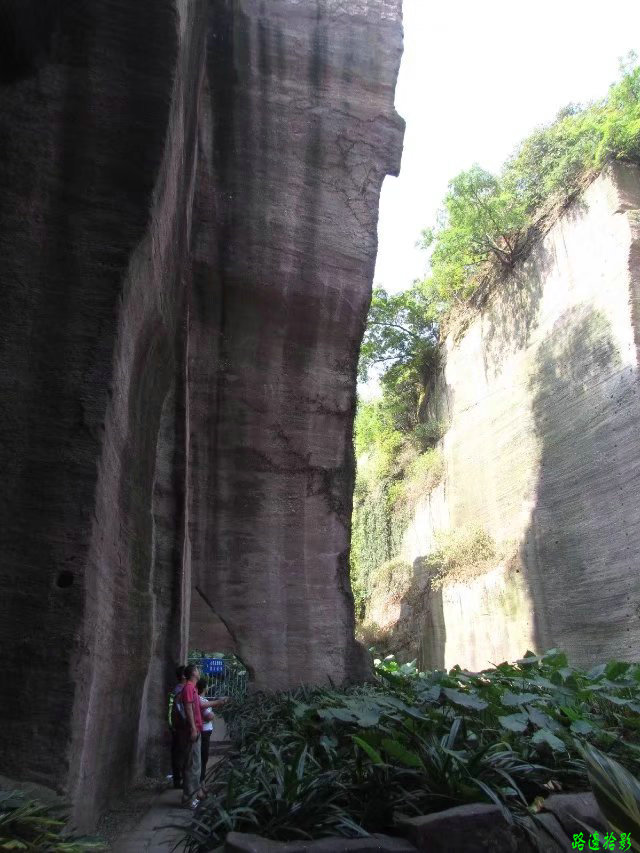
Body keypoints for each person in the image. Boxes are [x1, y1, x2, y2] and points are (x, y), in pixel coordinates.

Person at [196, 680, 229, 787]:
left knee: (202, 755)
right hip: (203, 731)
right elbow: (209, 716)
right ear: (205, 688)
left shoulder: (202, 699)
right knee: (203, 756)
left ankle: (201, 780)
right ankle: (201, 781)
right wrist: (213, 712)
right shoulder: (200, 699)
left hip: (204, 731)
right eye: (207, 686)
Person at [180, 664, 204, 808]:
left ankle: (192, 796)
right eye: (197, 670)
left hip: (196, 729)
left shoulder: (192, 688)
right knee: (192, 765)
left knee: (195, 764)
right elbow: (188, 707)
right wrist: (193, 728)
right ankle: (189, 798)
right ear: (193, 673)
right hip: (192, 730)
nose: (199, 672)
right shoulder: (189, 687)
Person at [168, 665, 186, 789]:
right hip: (180, 726)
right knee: (180, 753)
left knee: (178, 752)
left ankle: (177, 779)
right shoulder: (180, 691)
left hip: (177, 726)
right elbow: (182, 710)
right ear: (184, 676)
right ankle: (178, 780)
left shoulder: (179, 689)